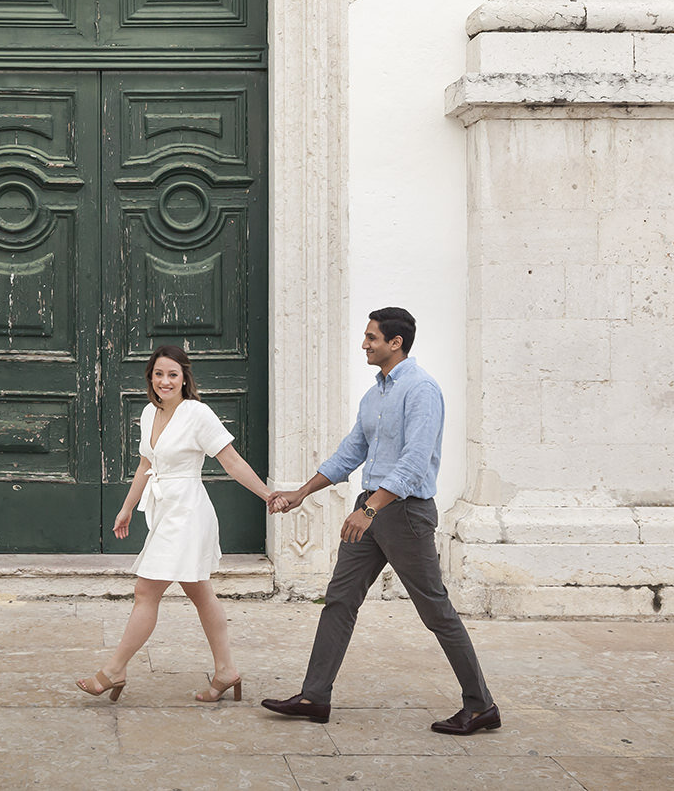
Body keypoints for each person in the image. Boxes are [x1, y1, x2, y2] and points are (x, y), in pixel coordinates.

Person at [262, 307, 500, 735]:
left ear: (396, 343)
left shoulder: (422, 390)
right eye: (366, 337)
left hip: (403, 513)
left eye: (372, 338)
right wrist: (301, 493)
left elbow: (414, 462)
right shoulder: (375, 395)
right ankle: (315, 696)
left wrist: (371, 509)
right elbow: (351, 451)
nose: (364, 344)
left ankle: (481, 705)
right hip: (369, 510)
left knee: (435, 609)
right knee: (339, 599)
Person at [76, 344, 275, 705]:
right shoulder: (149, 415)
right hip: (166, 511)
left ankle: (115, 670)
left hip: (187, 512)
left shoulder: (197, 414)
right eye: (158, 374)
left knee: (145, 591)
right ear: (150, 378)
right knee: (200, 592)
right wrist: (126, 507)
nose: (164, 381)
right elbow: (144, 465)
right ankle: (226, 670)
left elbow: (231, 461)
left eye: (172, 374)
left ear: (185, 379)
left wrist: (267, 495)